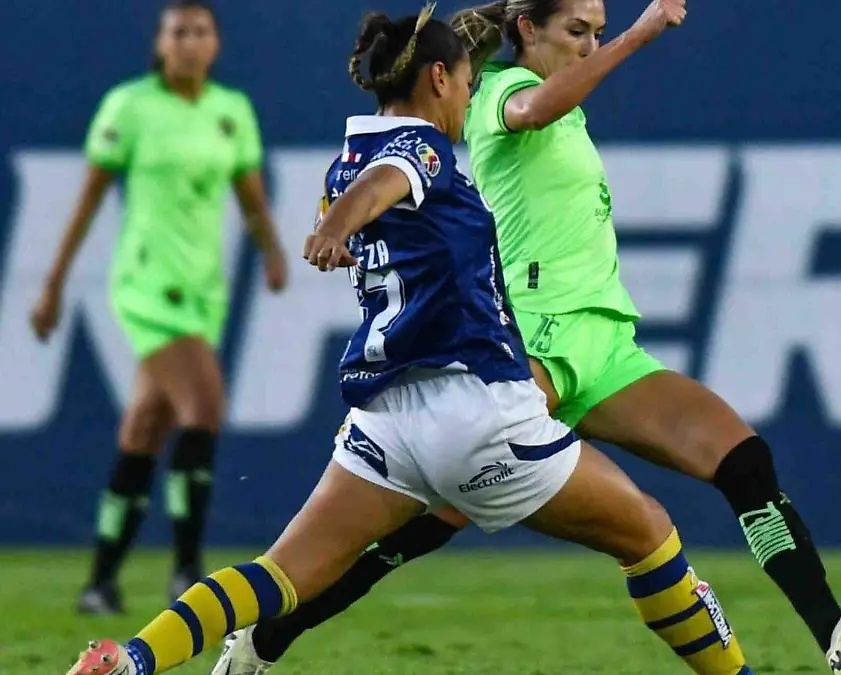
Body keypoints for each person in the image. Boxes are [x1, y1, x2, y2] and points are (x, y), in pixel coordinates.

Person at [215, 1, 841, 674]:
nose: (590, 45)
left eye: (600, 31)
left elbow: (558, 110)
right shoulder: (497, 92)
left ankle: (834, 632)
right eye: (577, 30)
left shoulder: (566, 109)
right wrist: (640, 34)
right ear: (527, 29)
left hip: (603, 347)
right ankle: (266, 636)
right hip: (531, 336)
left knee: (742, 460)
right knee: (429, 513)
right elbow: (533, 109)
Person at [66, 8, 755, 675]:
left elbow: (374, 181)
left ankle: (131, 659)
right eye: (466, 82)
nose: (470, 96)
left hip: (388, 424)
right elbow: (387, 180)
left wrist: (340, 213)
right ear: (436, 79)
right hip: (478, 410)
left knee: (278, 573)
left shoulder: (345, 158)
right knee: (648, 531)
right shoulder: (417, 148)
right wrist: (337, 225)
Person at [30, 0, 287, 615]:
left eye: (200, 32)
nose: (189, 42)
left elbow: (251, 198)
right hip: (146, 285)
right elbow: (88, 200)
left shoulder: (231, 111)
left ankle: (100, 582)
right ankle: (186, 571)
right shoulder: (130, 106)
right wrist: (53, 284)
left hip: (204, 291)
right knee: (204, 407)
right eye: (178, 32)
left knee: (146, 427)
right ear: (160, 44)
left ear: (216, 44)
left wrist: (273, 251)